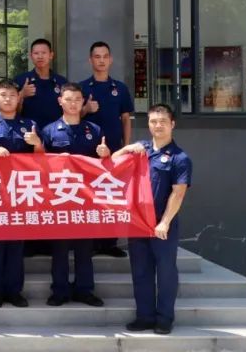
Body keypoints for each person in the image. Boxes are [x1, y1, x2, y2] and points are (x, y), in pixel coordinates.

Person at [114, 103, 192, 335]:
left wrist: (165, 222)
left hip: (161, 224)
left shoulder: (180, 158)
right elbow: (113, 162)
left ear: (172, 124)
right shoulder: (142, 150)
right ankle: (144, 317)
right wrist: (129, 148)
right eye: (153, 121)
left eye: (163, 121)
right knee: (140, 271)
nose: (158, 126)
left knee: (166, 271)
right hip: (138, 222)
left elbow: (178, 194)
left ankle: (164, 318)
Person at [40, 83, 110, 307]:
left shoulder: (94, 130)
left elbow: (106, 166)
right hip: (60, 197)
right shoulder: (49, 131)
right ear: (60, 101)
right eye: (68, 99)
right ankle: (59, 290)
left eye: (77, 100)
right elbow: (39, 164)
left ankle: (84, 290)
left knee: (84, 248)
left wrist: (105, 154)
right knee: (60, 248)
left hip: (86, 197)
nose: (73, 104)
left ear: (83, 102)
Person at [0, 78, 43, 307]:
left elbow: (42, 159)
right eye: (3, 95)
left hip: (21, 191)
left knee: (17, 244)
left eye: (12, 95)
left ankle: (15, 291)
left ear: (19, 98)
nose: (8, 99)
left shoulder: (30, 124)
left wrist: (37, 143)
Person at [80, 40, 135, 259]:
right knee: (89, 195)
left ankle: (109, 242)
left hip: (114, 151)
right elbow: (73, 114)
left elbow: (126, 119)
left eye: (105, 56)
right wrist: (86, 108)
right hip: (88, 150)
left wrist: (126, 146)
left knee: (111, 195)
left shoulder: (119, 88)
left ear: (110, 60)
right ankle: (91, 242)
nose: (101, 61)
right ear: (90, 60)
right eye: (97, 57)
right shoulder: (83, 87)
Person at [14, 38, 68, 131]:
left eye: (43, 53)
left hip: (56, 133)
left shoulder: (62, 82)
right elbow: (11, 111)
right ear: (31, 56)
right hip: (29, 132)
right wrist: (21, 95)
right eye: (36, 53)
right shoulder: (21, 80)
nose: (40, 56)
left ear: (51, 55)